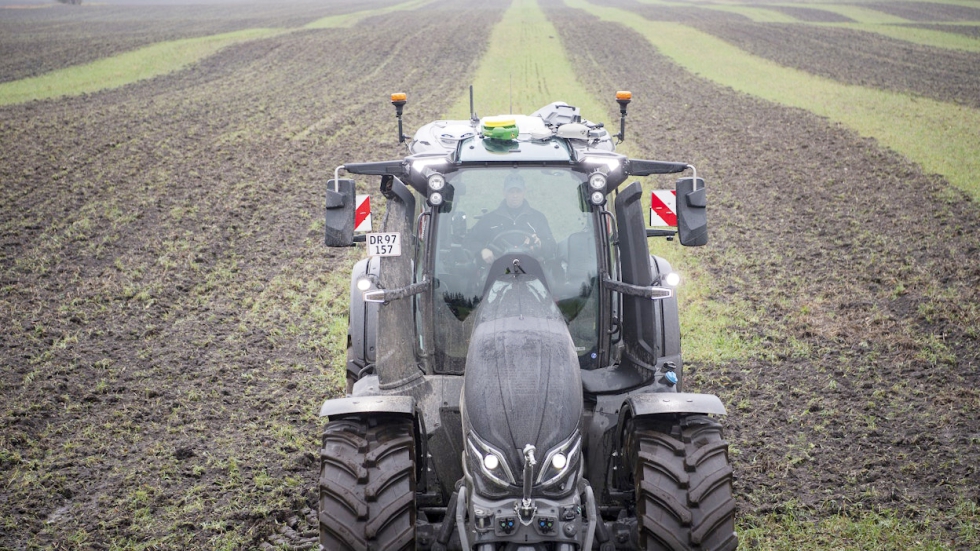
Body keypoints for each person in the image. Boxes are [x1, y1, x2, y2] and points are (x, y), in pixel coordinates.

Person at [467, 172, 555, 264]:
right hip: (496, 268)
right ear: (504, 192)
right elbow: (469, 241)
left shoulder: (538, 218)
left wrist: (540, 244)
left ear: (524, 192)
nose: (515, 195)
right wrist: (482, 250)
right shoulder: (489, 219)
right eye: (511, 191)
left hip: (532, 269)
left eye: (518, 191)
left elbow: (552, 246)